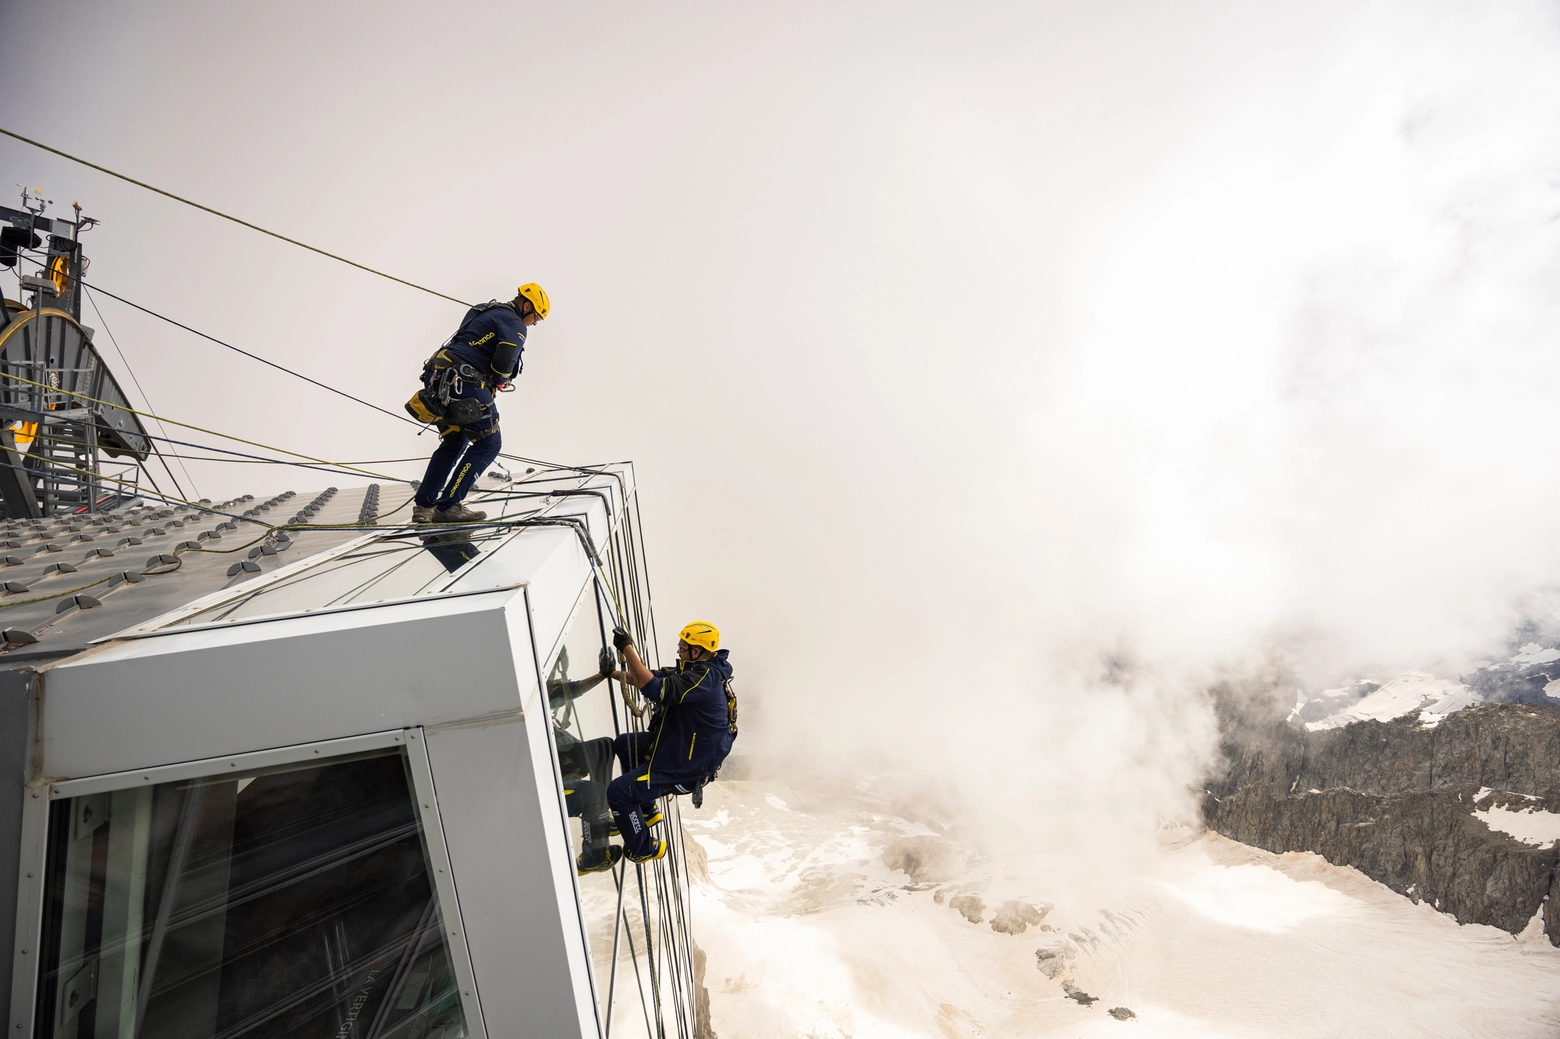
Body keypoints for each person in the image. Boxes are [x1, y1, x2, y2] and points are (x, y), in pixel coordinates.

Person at [411, 283, 549, 523]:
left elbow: (467, 342)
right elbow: (503, 364)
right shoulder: (515, 325)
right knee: (489, 443)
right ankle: (449, 506)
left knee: (454, 441)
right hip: (465, 383)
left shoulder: (483, 309)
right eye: (535, 316)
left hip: (439, 378)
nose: (534, 323)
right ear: (526, 305)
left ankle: (424, 507)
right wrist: (499, 381)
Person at [605, 621, 733, 863]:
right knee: (625, 744)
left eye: (682, 647)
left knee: (618, 792)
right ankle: (646, 808)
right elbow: (648, 677)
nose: (678, 650)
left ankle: (643, 848)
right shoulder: (695, 671)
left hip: (685, 768)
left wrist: (627, 647)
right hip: (679, 748)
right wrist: (611, 673)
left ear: (696, 651)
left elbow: (655, 689)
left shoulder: (703, 680)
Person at [550, 646, 622, 874]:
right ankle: (593, 856)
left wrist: (604, 674)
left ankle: (604, 817)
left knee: (603, 747)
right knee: (593, 794)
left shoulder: (540, 691)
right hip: (543, 782)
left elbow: (572, 690)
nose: (553, 677)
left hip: (557, 762)